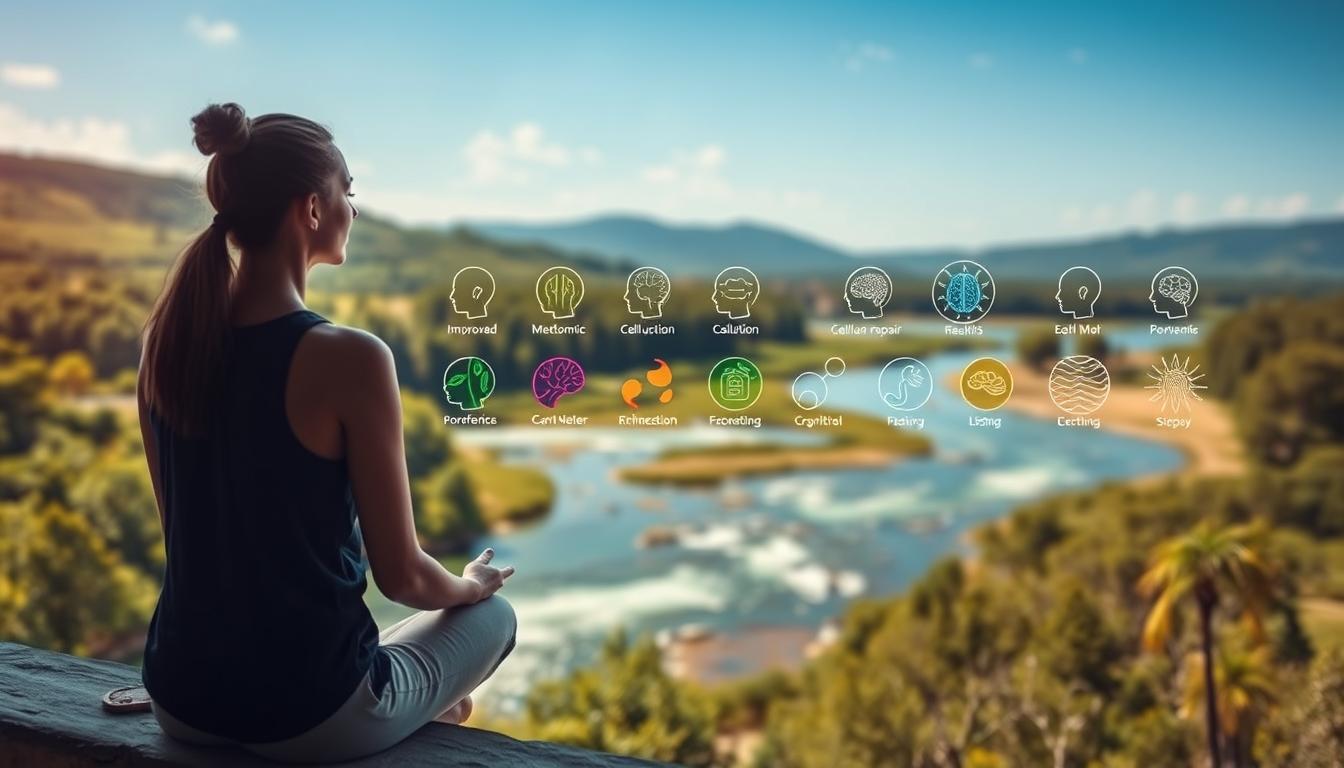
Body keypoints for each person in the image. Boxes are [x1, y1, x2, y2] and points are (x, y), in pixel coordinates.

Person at [135, 102, 518, 763]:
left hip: (182, 700)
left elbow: (191, 546)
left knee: (416, 667)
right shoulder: (349, 357)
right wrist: (470, 588)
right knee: (494, 621)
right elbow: (401, 576)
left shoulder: (163, 347)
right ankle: (418, 711)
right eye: (349, 191)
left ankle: (423, 708)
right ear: (311, 208)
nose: (354, 209)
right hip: (308, 716)